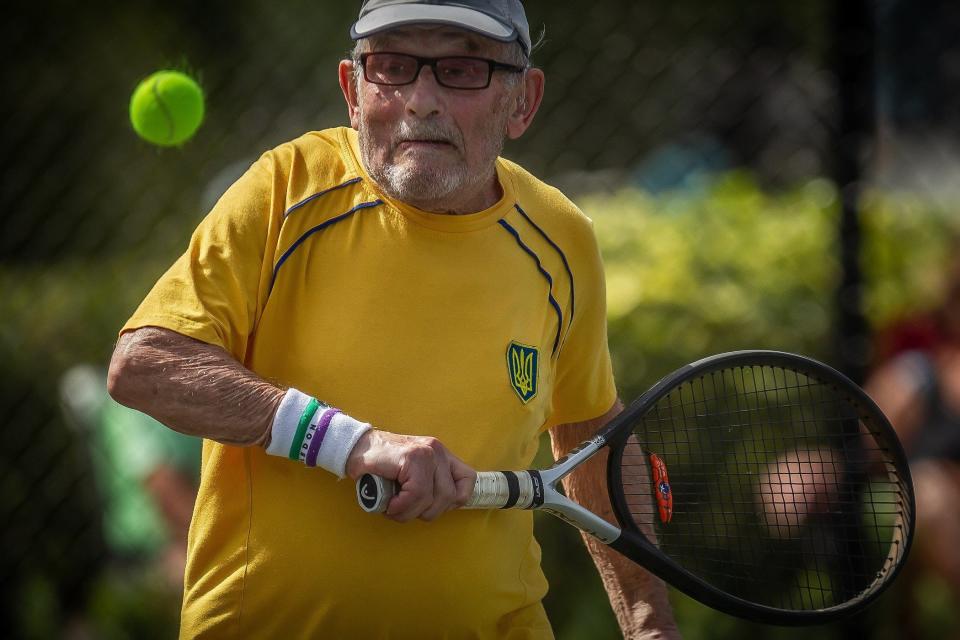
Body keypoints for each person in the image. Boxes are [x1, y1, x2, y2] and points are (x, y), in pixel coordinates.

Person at [108, 1, 680, 637]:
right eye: (393, 66)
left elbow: (591, 437)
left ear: (523, 102)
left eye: (462, 69)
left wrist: (650, 624)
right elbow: (146, 363)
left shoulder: (563, 239)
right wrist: (352, 445)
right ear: (352, 91)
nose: (420, 100)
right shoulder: (283, 189)